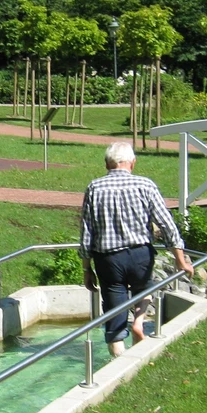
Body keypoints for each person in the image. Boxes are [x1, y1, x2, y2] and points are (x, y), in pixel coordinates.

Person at [79, 141, 194, 358]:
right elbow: (166, 223)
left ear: (107, 163)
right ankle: (139, 322)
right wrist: (180, 258)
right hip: (141, 254)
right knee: (144, 290)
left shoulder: (94, 187)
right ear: (133, 163)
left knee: (114, 309)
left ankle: (120, 358)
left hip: (108, 258)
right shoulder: (145, 185)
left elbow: (87, 231)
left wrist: (87, 268)